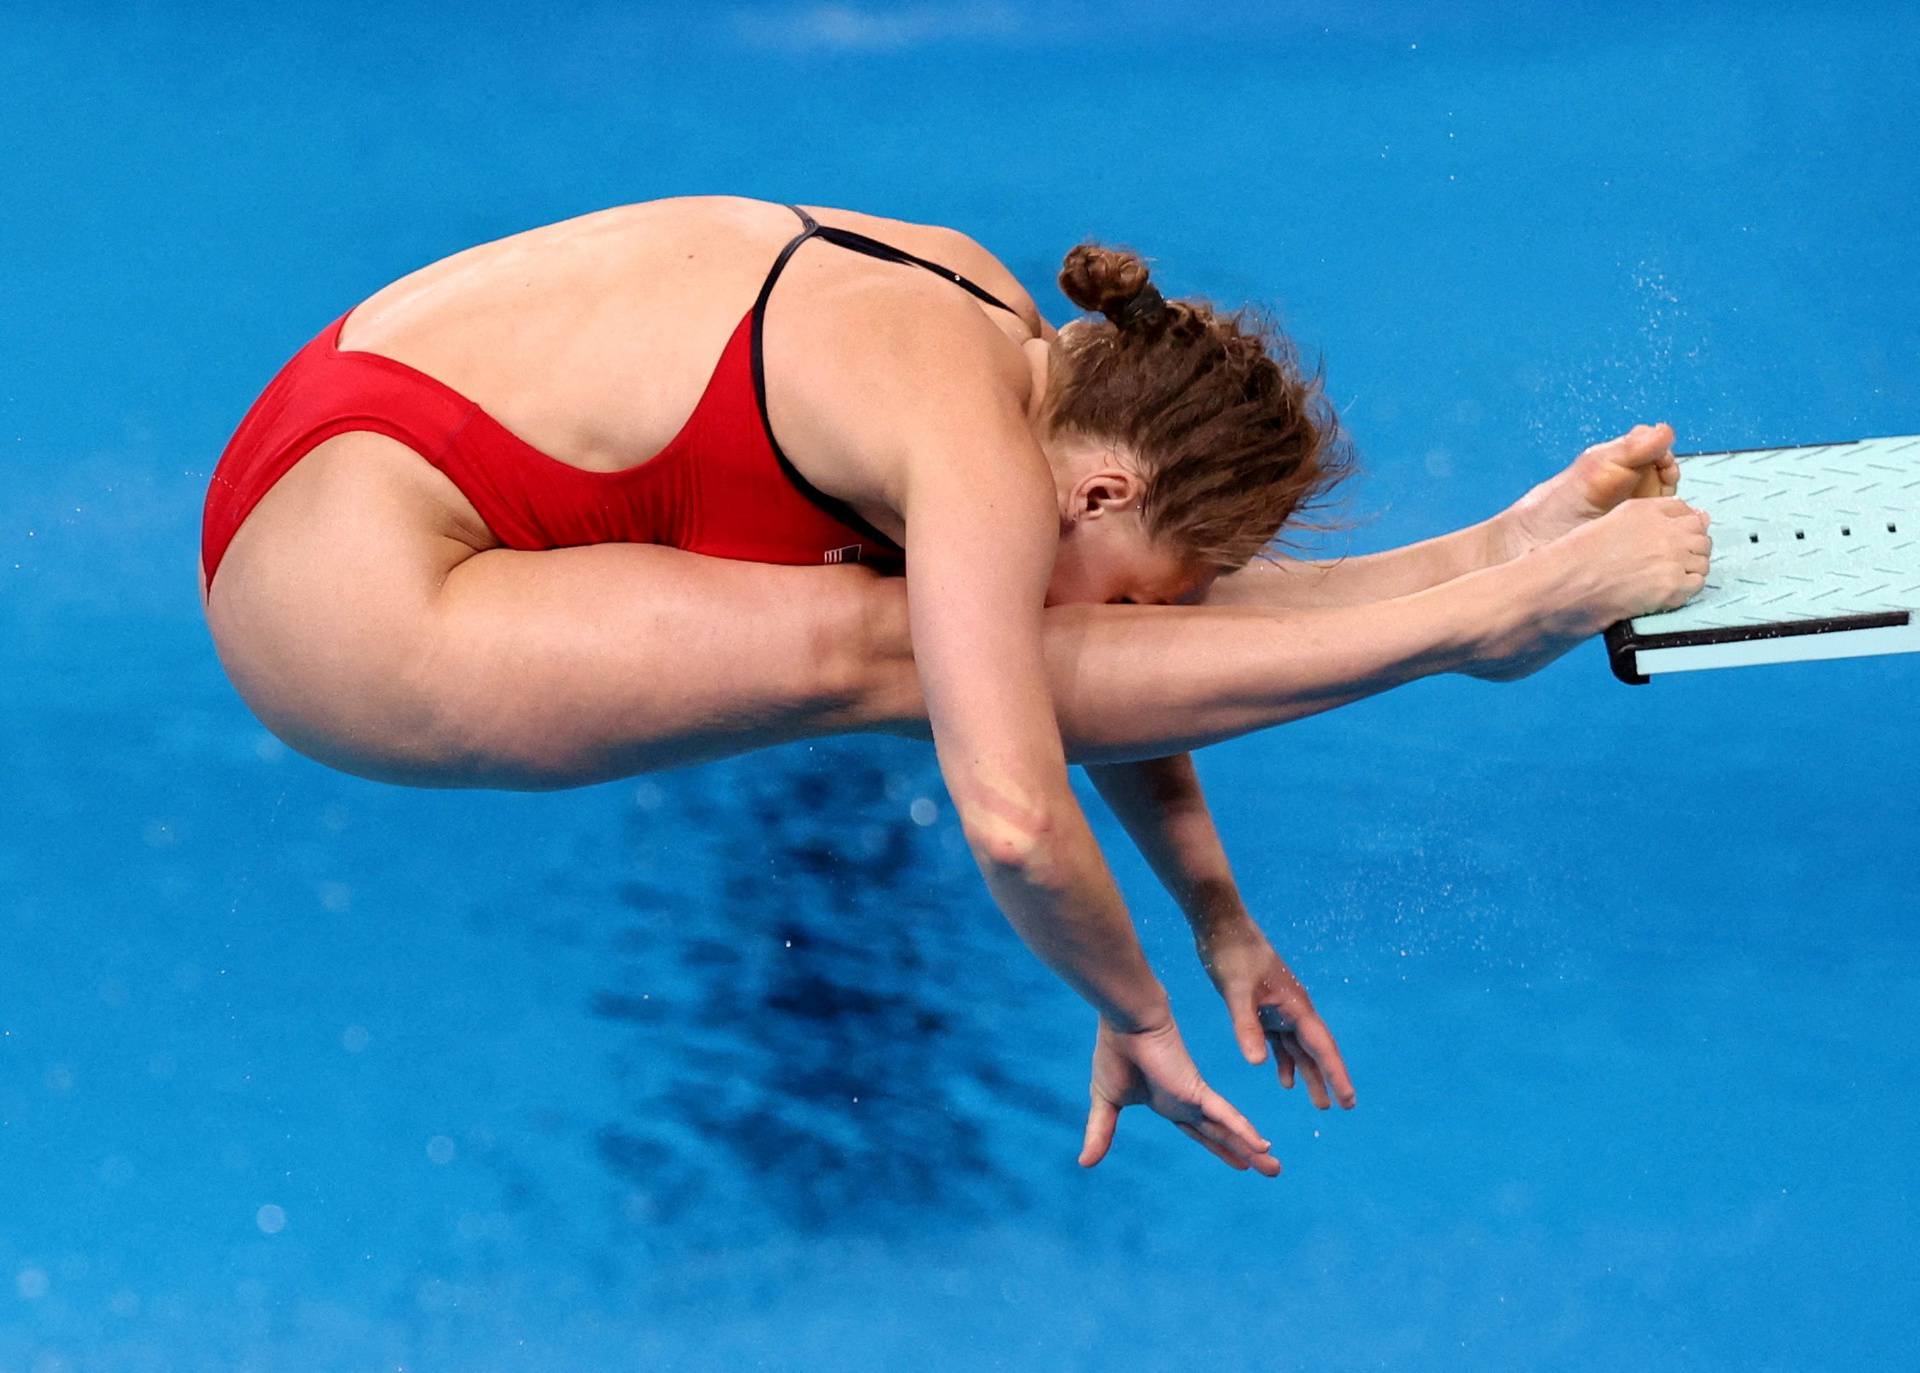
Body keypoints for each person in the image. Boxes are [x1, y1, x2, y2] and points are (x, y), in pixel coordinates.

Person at [199, 195, 1712, 1179]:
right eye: (1156, 592)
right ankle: (1490, 617)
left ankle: (1497, 553)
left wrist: (1214, 914)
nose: (1148, 623)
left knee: (960, 625)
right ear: (1108, 485)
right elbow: (1009, 805)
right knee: (887, 652)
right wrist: (1131, 1006)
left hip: (324, 441)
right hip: (343, 611)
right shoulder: (981, 457)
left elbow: (1067, 626)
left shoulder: (997, 326)